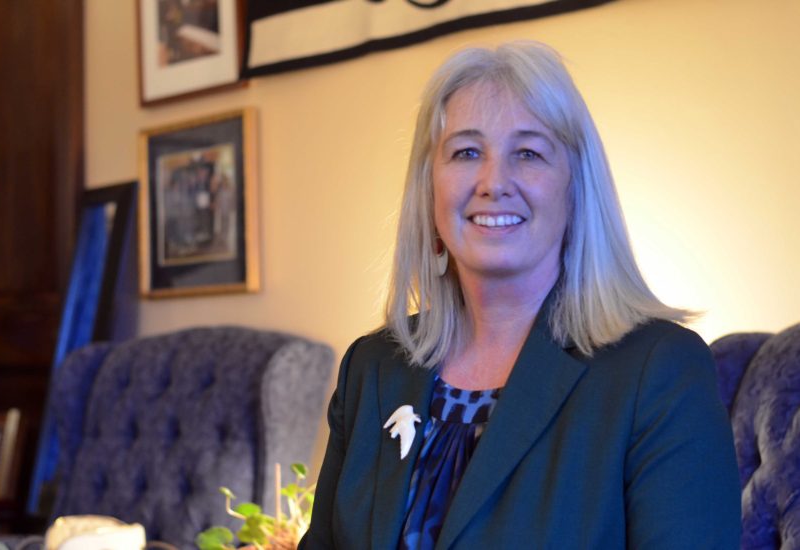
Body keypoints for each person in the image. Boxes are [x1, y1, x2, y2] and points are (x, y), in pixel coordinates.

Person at [300, 41, 741, 549]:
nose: (494, 182)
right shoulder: (372, 368)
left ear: (576, 188)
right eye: (467, 152)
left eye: (528, 153)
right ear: (429, 188)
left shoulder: (659, 371)